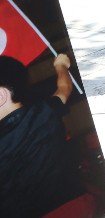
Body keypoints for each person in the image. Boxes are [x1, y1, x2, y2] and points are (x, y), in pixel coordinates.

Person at [0, 54, 90, 217]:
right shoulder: (45, 110)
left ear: (1, 96)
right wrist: (61, 64)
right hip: (77, 205)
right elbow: (65, 88)